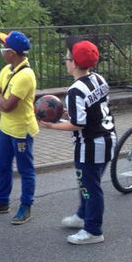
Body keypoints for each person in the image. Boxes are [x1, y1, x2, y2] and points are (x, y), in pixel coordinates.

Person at [39, 39, 116, 245]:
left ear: (73, 63)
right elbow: (92, 108)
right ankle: (83, 215)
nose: (66, 61)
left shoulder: (75, 90)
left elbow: (78, 124)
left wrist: (52, 126)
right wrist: (69, 112)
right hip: (108, 138)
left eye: (67, 57)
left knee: (91, 188)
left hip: (90, 146)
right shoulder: (98, 78)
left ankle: (93, 230)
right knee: (88, 184)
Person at [0, 31, 38, 224]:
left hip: (22, 130)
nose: (1, 50)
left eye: (3, 47)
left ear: (12, 52)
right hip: (5, 128)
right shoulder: (7, 69)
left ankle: (26, 205)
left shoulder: (25, 75)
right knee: (3, 166)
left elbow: (7, 105)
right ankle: (2, 201)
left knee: (25, 169)